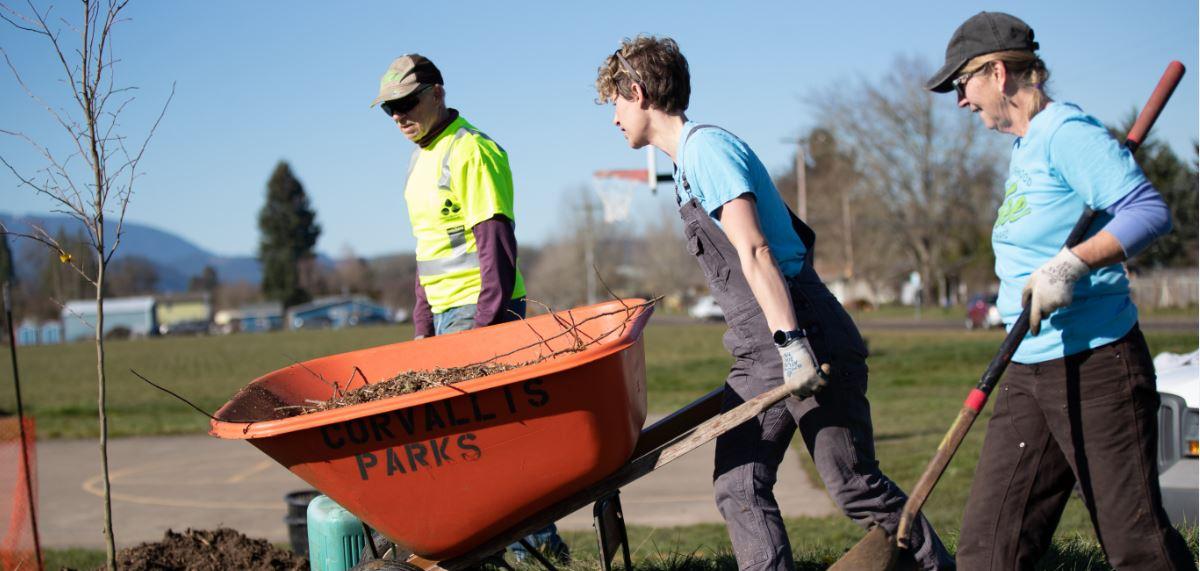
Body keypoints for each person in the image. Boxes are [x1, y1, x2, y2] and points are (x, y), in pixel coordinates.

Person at [594, 37, 954, 571]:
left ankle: (938, 566)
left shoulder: (705, 150)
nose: (614, 118)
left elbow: (757, 249)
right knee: (738, 483)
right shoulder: (689, 165)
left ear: (639, 92)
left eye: (616, 104)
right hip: (760, 348)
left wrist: (792, 345)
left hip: (797, 333)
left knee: (853, 485)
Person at [926, 12, 1194, 570]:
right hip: (1028, 367)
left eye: (963, 84)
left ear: (998, 73)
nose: (961, 101)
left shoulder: (1066, 134)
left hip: (1098, 366)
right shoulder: (1026, 149)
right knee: (989, 550)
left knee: (1135, 545)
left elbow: (1148, 212)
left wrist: (1070, 264)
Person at [372, 53, 567, 563]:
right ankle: (506, 549)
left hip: (480, 311)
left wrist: (488, 329)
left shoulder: (471, 151)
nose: (398, 115)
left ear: (437, 92)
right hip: (444, 317)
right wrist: (422, 329)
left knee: (488, 443)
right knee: (474, 445)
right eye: (388, 109)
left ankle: (530, 549)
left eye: (406, 102)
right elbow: (429, 253)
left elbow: (495, 244)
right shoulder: (421, 159)